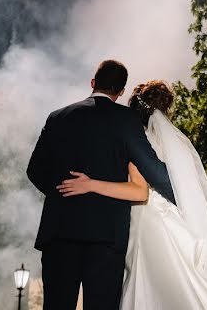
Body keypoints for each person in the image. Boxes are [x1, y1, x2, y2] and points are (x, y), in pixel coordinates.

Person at [58, 81, 207, 310]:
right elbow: (177, 185)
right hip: (172, 214)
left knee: (145, 281)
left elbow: (140, 185)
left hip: (145, 214)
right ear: (165, 109)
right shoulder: (177, 142)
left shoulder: (135, 138)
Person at [26, 60, 176, 310]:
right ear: (120, 91)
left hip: (60, 234)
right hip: (106, 237)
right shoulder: (126, 120)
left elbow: (34, 171)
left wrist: (63, 192)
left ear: (93, 83)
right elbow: (153, 171)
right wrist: (186, 197)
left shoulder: (57, 117)